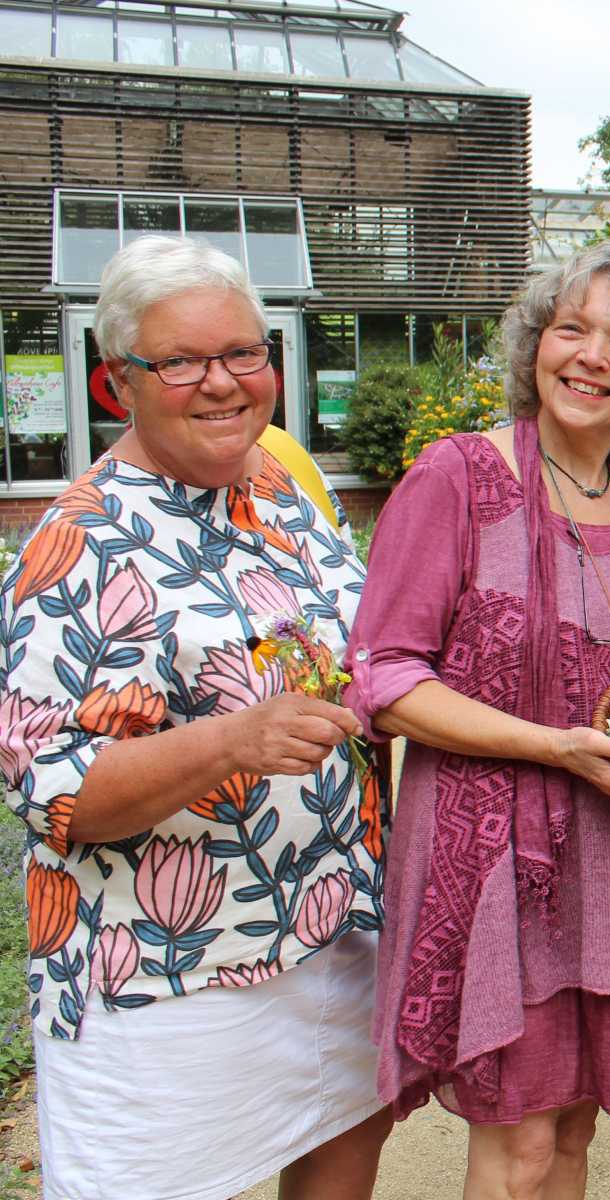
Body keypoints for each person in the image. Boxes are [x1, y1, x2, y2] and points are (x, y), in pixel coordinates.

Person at [345, 240, 610, 1199]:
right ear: (535, 346)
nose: (591, 357)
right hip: (496, 857)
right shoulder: (458, 478)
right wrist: (557, 748)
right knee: (521, 1147)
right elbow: (383, 678)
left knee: (572, 1139)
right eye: (571, 329)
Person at [0, 235, 391, 1199]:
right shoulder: (78, 542)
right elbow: (55, 796)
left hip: (331, 931)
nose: (221, 383)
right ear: (116, 385)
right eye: (179, 361)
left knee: (342, 1153)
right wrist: (235, 738)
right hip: (171, 975)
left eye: (243, 353)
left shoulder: (283, 493)